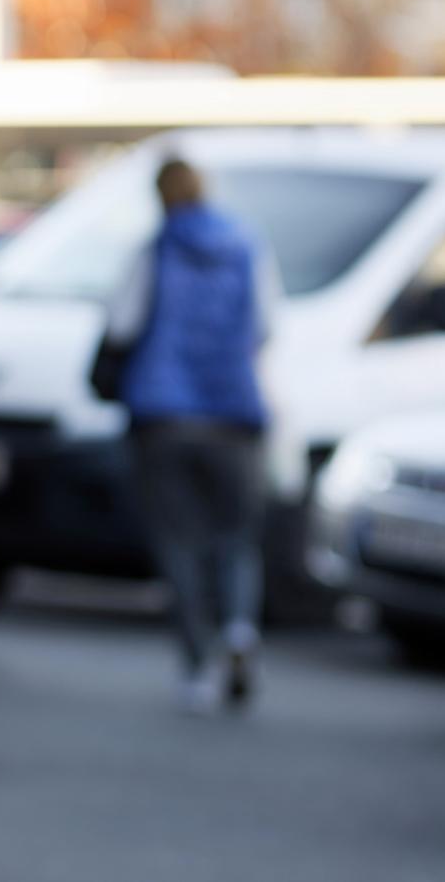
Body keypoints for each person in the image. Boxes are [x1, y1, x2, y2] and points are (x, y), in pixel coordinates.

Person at [104, 158, 277, 714]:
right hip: (233, 416)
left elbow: (122, 325)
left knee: (180, 542)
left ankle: (199, 665)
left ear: (160, 197)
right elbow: (266, 326)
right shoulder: (249, 245)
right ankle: (240, 632)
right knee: (235, 537)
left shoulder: (153, 250)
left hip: (164, 418)